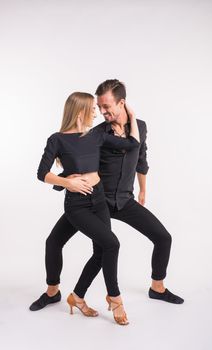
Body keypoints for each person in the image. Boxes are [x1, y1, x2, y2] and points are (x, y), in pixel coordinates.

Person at [30, 79, 183, 317]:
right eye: (97, 108)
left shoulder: (138, 127)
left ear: (121, 103)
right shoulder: (95, 132)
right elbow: (76, 158)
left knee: (162, 238)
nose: (101, 112)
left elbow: (139, 156)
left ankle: (156, 287)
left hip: (121, 200)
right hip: (88, 200)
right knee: (61, 243)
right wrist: (67, 180)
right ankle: (55, 292)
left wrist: (143, 190)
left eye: (105, 107)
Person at [32, 91, 140, 325]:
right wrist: (67, 182)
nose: (96, 113)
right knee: (112, 243)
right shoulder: (57, 139)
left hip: (98, 199)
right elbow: (42, 173)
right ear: (79, 110)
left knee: (99, 250)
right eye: (92, 109)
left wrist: (131, 115)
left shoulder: (96, 136)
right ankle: (115, 298)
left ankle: (77, 297)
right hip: (77, 204)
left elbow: (132, 144)